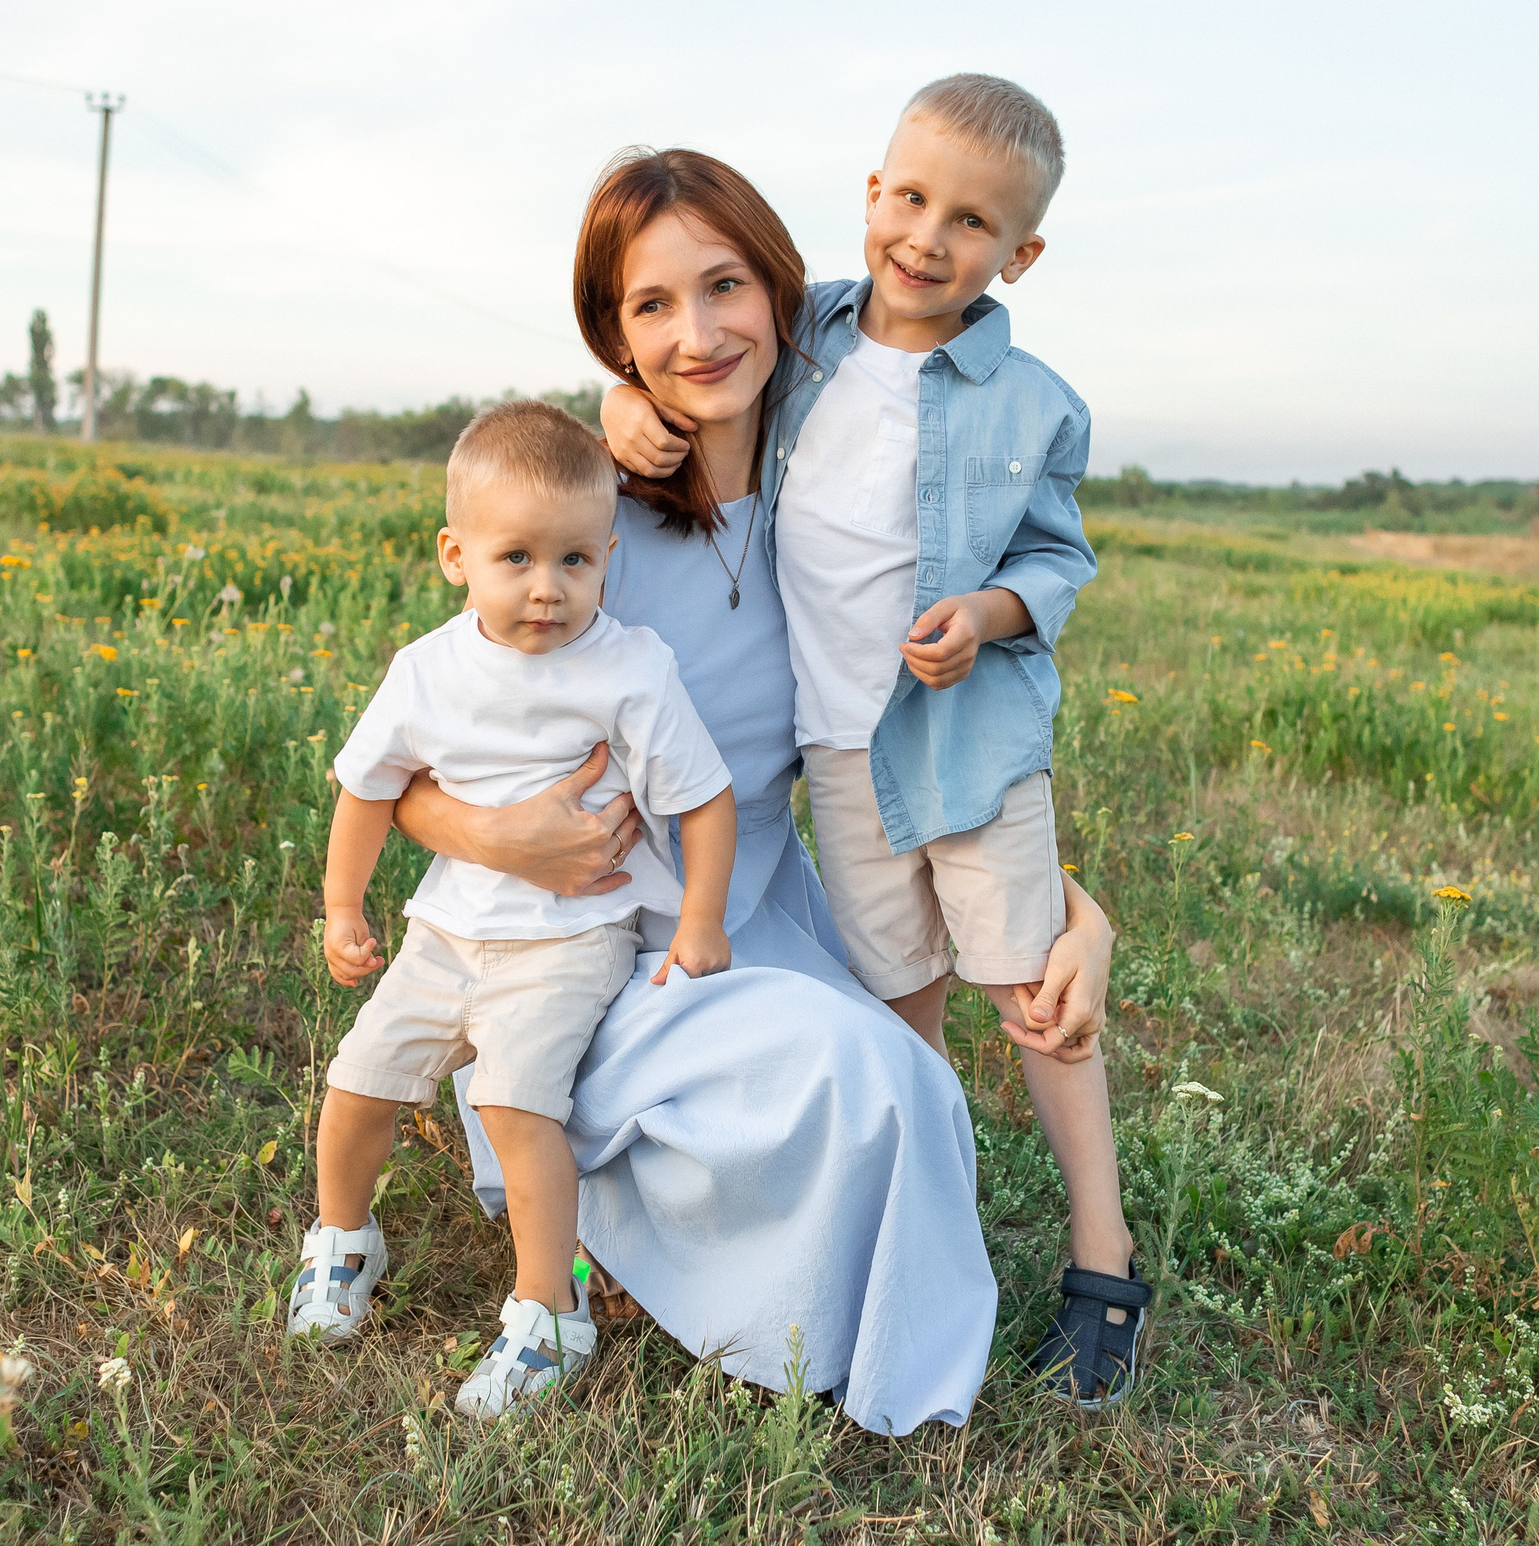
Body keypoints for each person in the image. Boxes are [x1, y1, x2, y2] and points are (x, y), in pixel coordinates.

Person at [385, 146, 1119, 1434]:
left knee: (898, 1084)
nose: (697, 335)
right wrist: (497, 833)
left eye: (724, 286)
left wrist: (1074, 911)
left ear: (784, 293)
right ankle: (616, 1234)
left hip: (751, 913)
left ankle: (759, 1266)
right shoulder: (581, 521)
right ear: (613, 334)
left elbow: (913, 745)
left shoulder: (825, 497)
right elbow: (409, 767)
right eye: (650, 307)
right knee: (865, 1073)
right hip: (585, 940)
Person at [600, 74, 1149, 1406]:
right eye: (908, 199)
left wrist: (988, 612)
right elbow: (684, 340)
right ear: (870, 193)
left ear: (1020, 254)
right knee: (898, 1008)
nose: (926, 237)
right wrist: (617, 399)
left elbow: (1055, 557)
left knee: (1034, 993)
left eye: (971, 222)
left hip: (962, 738)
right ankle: (934, 1230)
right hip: (838, 758)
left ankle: (1104, 1253)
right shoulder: (810, 341)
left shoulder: (1031, 402)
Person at [290, 399, 740, 1420]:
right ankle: (343, 1241)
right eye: (517, 558)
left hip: (570, 939)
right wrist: (341, 904)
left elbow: (705, 798)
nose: (548, 587)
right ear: (456, 556)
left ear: (608, 558)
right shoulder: (427, 670)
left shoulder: (629, 668)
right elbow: (367, 787)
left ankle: (550, 1311)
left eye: (575, 560)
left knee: (514, 1105)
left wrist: (700, 920)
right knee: (357, 1081)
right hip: (446, 933)